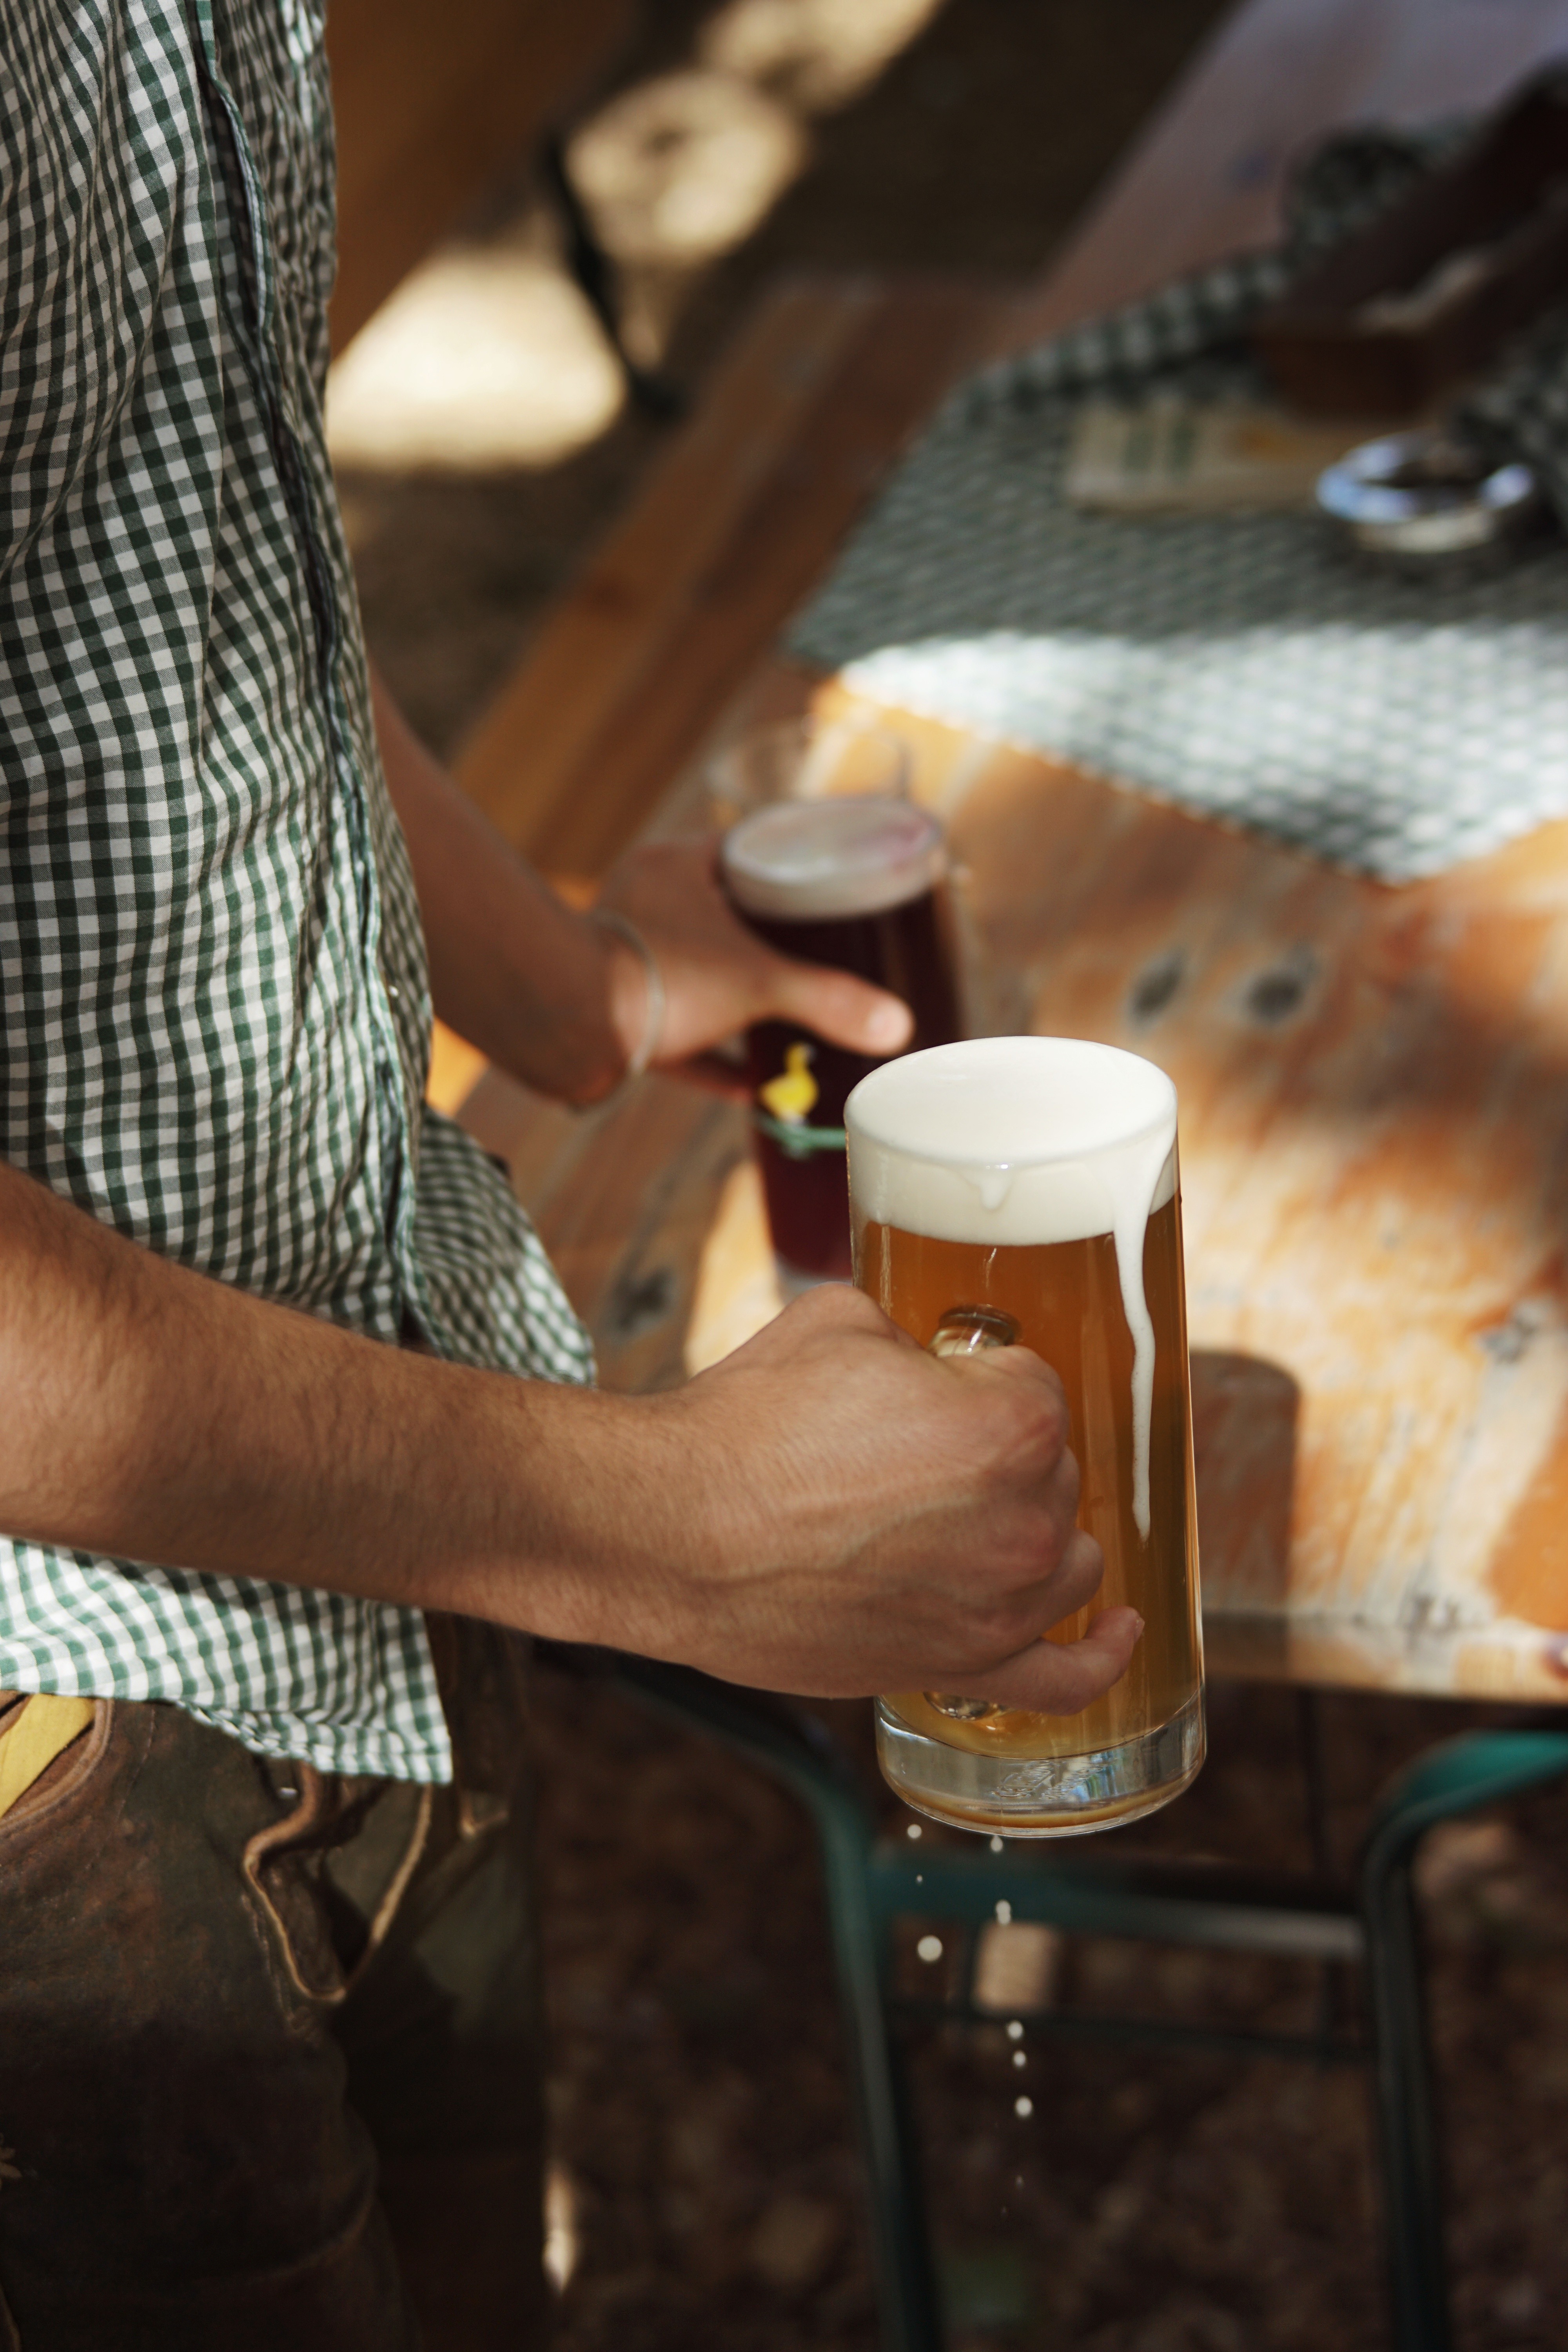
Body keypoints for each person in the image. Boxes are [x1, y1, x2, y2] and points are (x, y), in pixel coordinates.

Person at [0, 5, 1141, 2346]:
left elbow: (172, 533)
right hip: (56, 1730)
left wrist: (581, 990)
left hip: (368, 1470)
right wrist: (683, 1530)